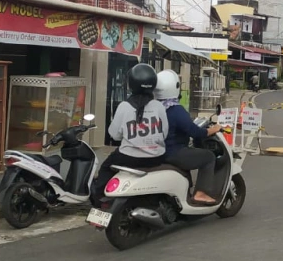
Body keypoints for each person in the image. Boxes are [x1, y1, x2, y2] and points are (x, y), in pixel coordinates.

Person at [91, 63, 169, 205]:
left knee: (105, 168)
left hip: (128, 158)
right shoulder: (159, 106)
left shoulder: (124, 106)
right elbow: (164, 133)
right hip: (156, 158)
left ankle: (101, 200)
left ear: (131, 84)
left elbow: (115, 135)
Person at [155, 69, 225, 205]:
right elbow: (196, 132)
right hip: (173, 152)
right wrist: (214, 129)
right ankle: (201, 193)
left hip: (157, 151)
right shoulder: (175, 110)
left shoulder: (154, 108)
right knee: (208, 157)